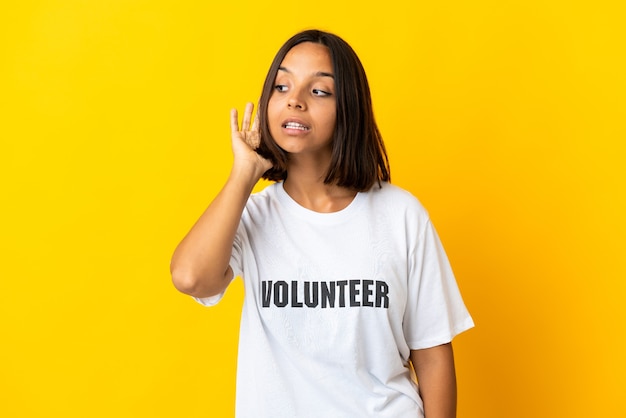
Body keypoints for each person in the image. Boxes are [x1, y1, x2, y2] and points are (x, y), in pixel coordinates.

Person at [171, 29, 474, 418]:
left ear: (347, 107)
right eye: (282, 86)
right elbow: (190, 278)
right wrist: (243, 175)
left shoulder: (401, 215)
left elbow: (432, 356)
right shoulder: (254, 216)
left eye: (319, 91)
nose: (294, 101)